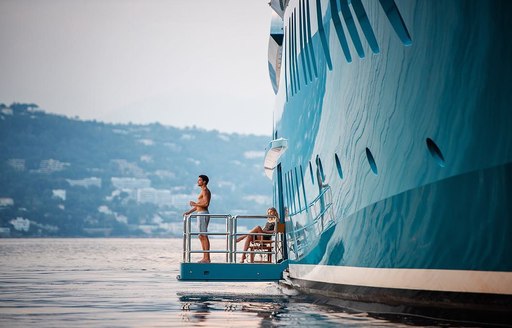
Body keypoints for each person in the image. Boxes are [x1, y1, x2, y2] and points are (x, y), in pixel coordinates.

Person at [183, 174, 211, 263]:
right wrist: (189, 212)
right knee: (201, 236)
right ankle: (205, 257)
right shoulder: (202, 191)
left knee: (204, 235)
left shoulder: (205, 190)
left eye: (199, 180)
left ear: (204, 182)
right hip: (200, 213)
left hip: (203, 214)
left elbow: (206, 204)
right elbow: (199, 205)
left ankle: (207, 258)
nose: (197, 181)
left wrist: (195, 204)